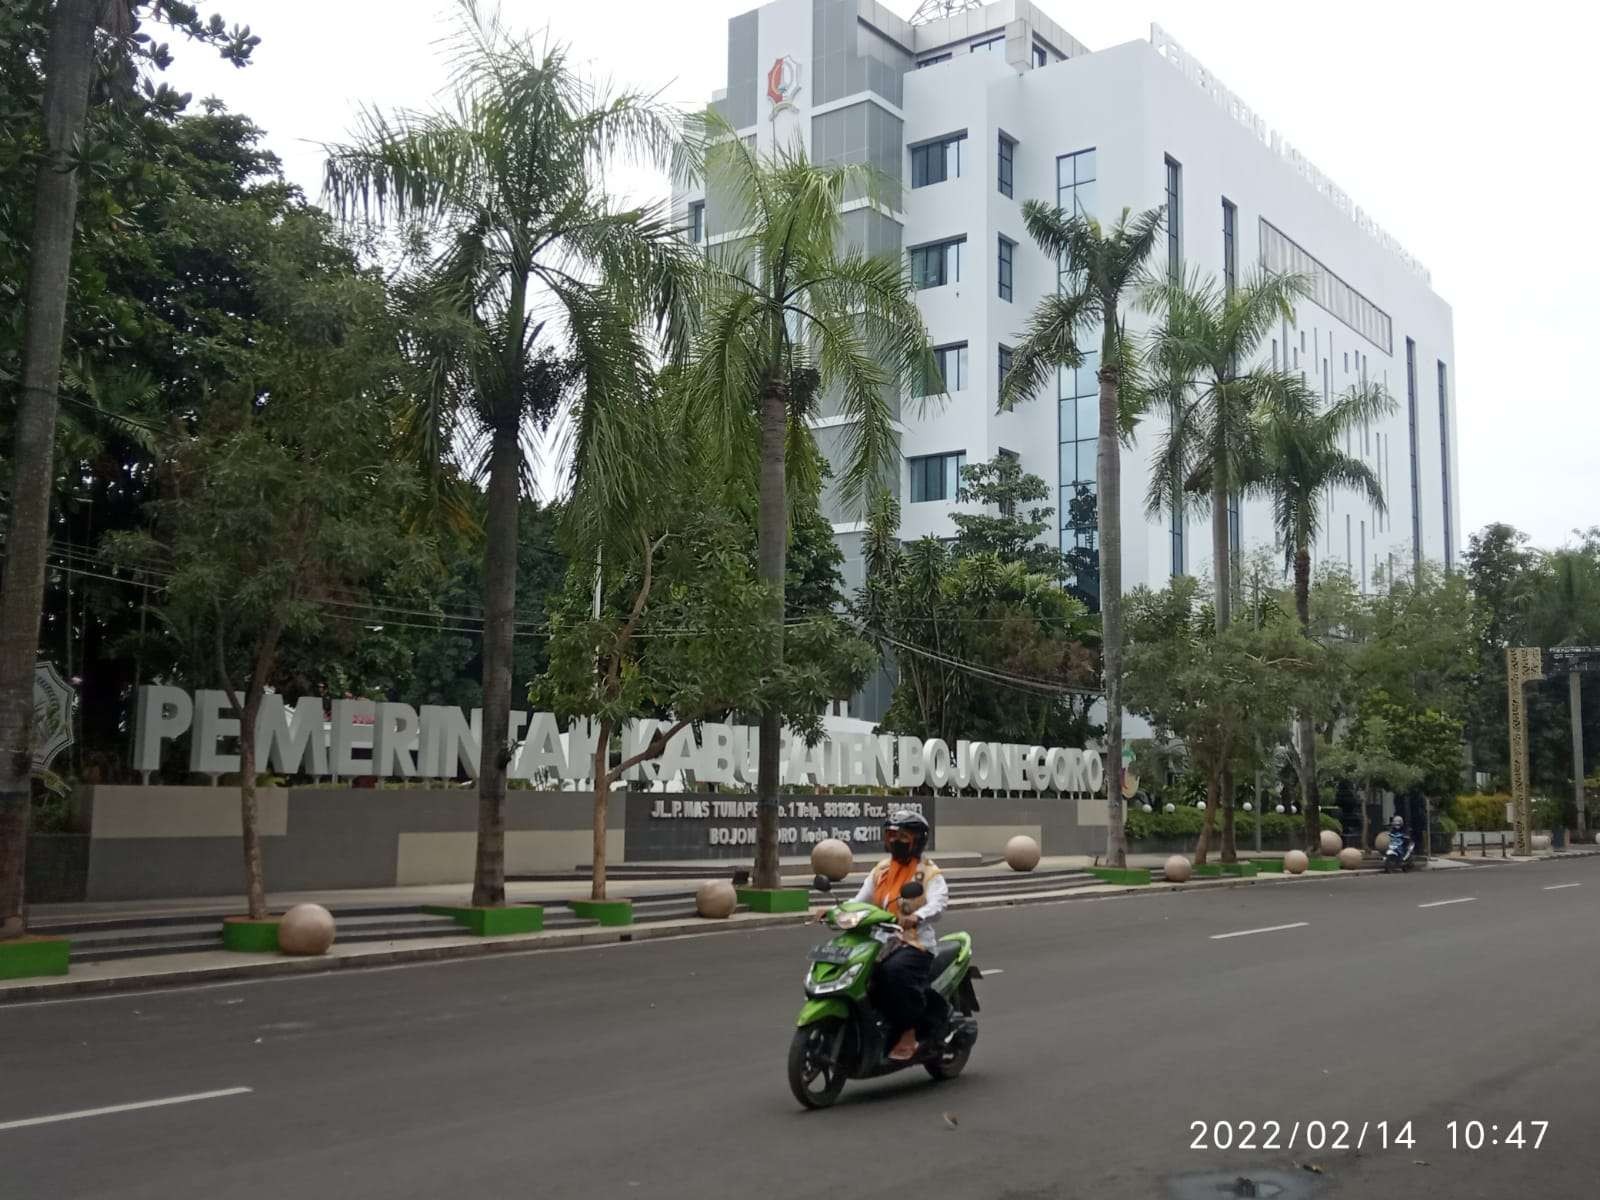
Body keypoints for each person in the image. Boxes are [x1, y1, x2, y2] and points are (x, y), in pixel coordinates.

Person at [853, 809, 948, 1061]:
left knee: (893, 974)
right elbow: (860, 901)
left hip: (914, 943)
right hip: (880, 940)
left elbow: (939, 903)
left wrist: (917, 916)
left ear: (917, 840)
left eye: (903, 836)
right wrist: (835, 911)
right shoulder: (881, 870)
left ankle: (908, 1031)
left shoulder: (928, 872)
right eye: (892, 835)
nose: (896, 841)